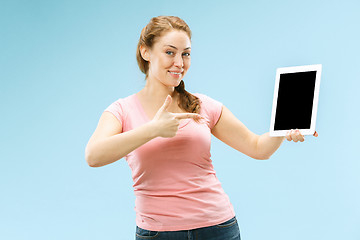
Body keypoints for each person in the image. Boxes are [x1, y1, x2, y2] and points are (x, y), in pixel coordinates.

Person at [85, 16, 318, 240]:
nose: (179, 63)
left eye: (185, 54)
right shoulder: (122, 110)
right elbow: (93, 156)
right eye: (169, 52)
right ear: (145, 52)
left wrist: (281, 130)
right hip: (157, 233)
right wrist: (153, 129)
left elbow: (257, 148)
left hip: (217, 228)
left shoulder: (204, 105)